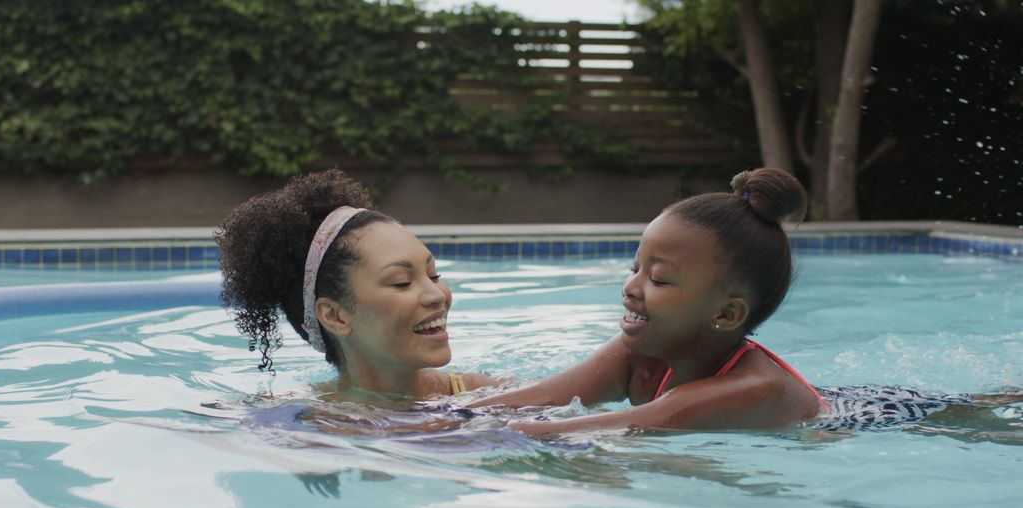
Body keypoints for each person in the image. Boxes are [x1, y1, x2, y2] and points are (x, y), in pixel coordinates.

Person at [470, 168, 829, 435]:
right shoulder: (639, 351)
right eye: (635, 268)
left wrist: (441, 437)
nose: (630, 287)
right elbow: (542, 396)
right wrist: (448, 416)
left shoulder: (754, 388)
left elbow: (604, 429)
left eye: (658, 278)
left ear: (726, 313)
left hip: (865, 420)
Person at [215, 168, 498, 401]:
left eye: (434, 275)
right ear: (335, 316)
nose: (437, 295)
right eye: (402, 283)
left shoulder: (489, 398)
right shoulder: (297, 422)